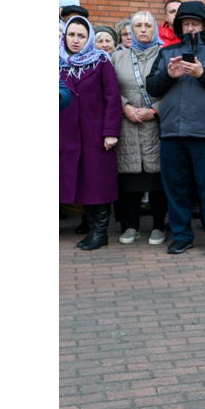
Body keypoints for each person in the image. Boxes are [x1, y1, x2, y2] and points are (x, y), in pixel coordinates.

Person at [145, 0, 205, 256]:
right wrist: (169, 76)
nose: (190, 28)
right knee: (176, 188)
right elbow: (151, 87)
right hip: (172, 133)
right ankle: (182, 235)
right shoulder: (166, 53)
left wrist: (201, 73)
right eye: (185, 23)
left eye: (195, 23)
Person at [60, 16, 122, 251]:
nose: (75, 40)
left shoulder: (100, 61)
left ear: (89, 39)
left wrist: (110, 132)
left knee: (97, 184)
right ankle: (89, 227)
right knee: (81, 183)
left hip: (95, 134)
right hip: (66, 134)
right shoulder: (57, 62)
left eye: (81, 36)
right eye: (71, 35)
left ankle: (100, 232)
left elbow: (112, 98)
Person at [111, 11, 169, 246]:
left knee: (157, 180)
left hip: (156, 125)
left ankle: (157, 227)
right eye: (138, 26)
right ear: (131, 30)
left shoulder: (165, 55)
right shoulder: (118, 57)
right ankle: (131, 226)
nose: (143, 29)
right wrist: (125, 108)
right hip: (127, 125)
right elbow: (111, 89)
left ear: (155, 29)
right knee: (129, 180)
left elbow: (174, 90)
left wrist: (155, 110)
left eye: (147, 25)